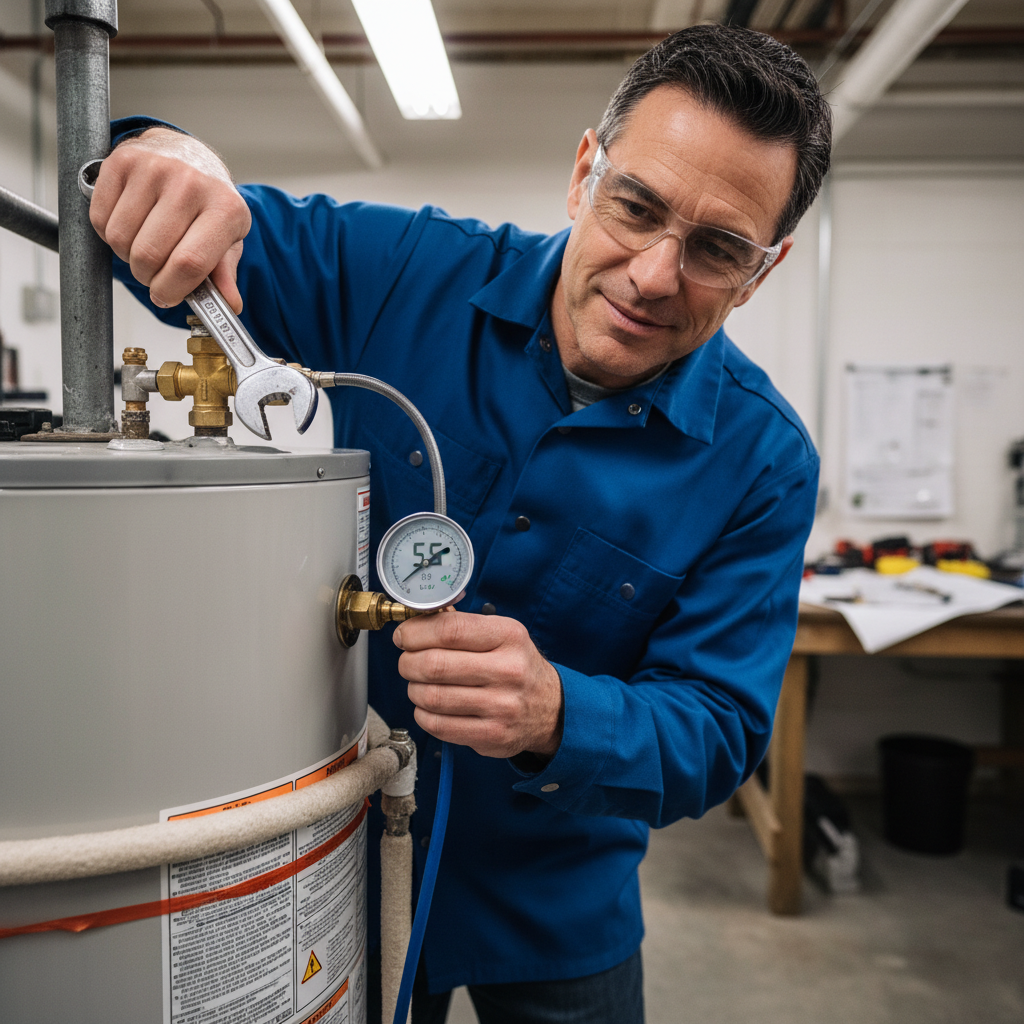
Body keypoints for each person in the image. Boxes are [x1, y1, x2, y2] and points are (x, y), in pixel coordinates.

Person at [95, 24, 831, 1023]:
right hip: (335, 859)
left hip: (556, 904)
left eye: (716, 250)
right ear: (584, 173)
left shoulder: (762, 460)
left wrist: (556, 714)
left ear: (765, 267)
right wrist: (173, 157)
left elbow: (719, 724)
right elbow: (192, 225)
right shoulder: (401, 271)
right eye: (636, 206)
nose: (655, 275)